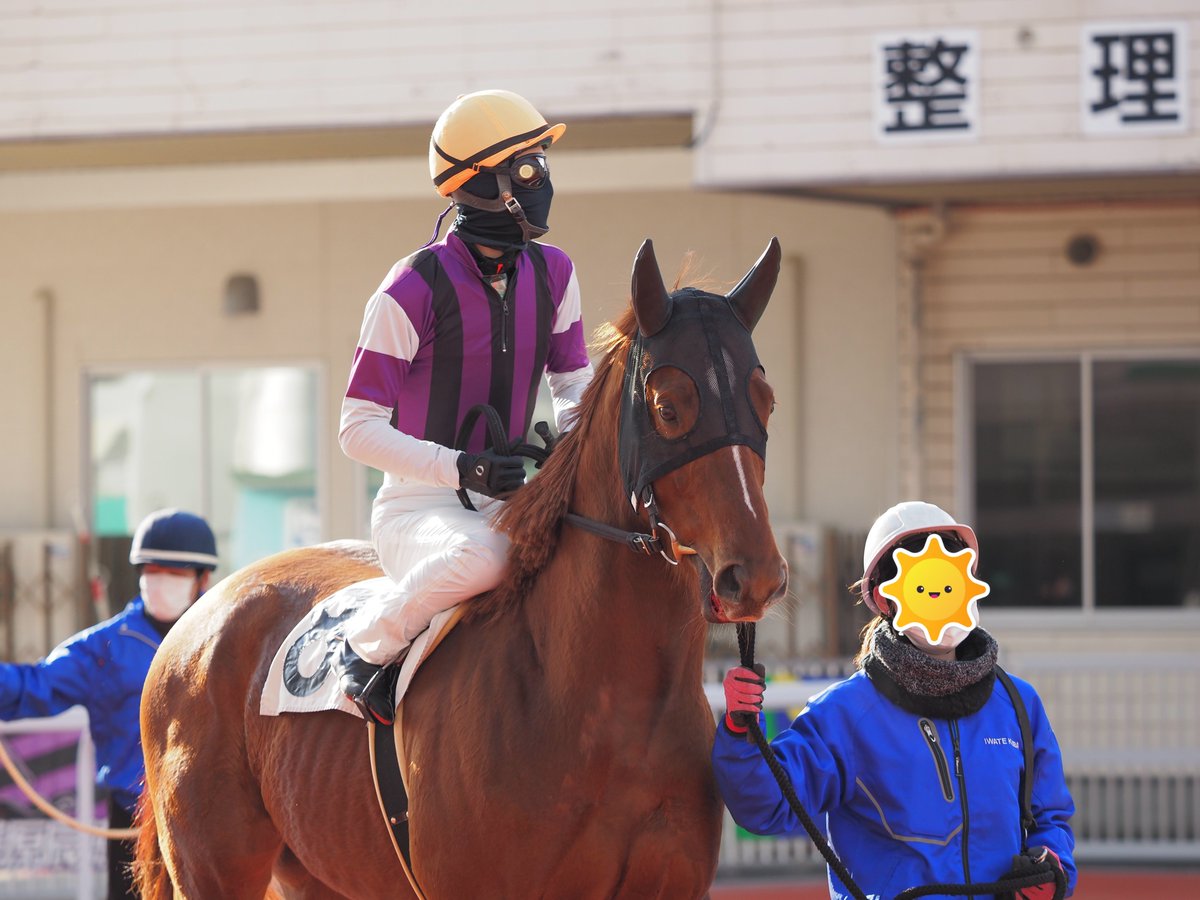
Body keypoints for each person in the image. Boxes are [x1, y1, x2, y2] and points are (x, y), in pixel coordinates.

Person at [337, 89, 593, 725]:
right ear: (482, 184)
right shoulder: (410, 286)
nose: (543, 184)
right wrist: (461, 469)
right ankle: (368, 645)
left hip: (511, 500)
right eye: (528, 169)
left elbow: (573, 389)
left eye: (543, 167)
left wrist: (574, 444)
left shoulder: (556, 273)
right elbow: (357, 430)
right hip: (417, 508)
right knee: (492, 556)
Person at [712, 501, 1077, 900]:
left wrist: (1052, 865)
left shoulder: (1017, 704)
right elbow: (767, 806)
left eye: (949, 569)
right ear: (886, 598)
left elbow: (1051, 817)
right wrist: (739, 729)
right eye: (920, 575)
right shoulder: (844, 715)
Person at [0, 508, 218, 900]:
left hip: (216, 816)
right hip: (132, 821)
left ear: (204, 578)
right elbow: (37, 685)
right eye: (152, 570)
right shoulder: (105, 646)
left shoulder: (226, 639)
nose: (160, 580)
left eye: (175, 572)